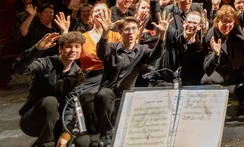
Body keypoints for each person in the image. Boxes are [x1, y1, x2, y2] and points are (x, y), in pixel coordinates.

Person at [92, 12, 169, 143]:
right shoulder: (111, 48)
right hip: (108, 92)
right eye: (127, 29)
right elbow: (101, 52)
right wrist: (105, 33)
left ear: (138, 31)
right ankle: (106, 132)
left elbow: (155, 55)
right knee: (104, 94)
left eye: (134, 29)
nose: (131, 32)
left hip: (127, 93)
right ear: (121, 32)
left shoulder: (142, 50)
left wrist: (162, 35)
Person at [13, 31, 91, 147]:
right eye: (69, 47)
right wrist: (37, 49)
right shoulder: (47, 63)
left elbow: (69, 106)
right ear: (60, 49)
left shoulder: (78, 75)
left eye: (77, 47)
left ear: (81, 50)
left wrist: (65, 133)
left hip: (56, 121)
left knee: (82, 141)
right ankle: (46, 143)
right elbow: (20, 68)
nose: (73, 50)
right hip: (33, 121)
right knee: (50, 101)